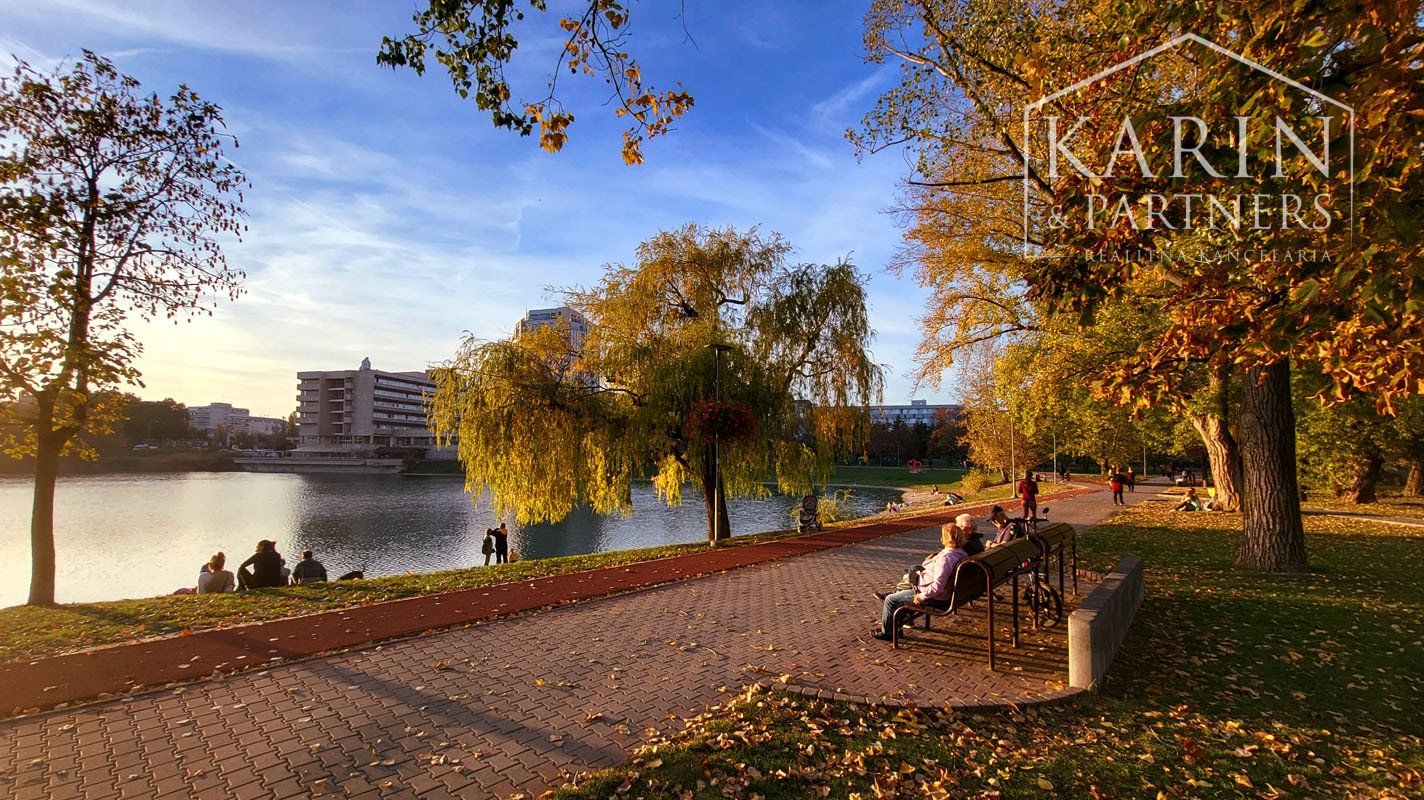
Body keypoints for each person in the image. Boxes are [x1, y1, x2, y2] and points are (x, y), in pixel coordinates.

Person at [871, 521, 972, 641]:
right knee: (910, 577)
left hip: (934, 596)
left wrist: (922, 596)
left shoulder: (946, 558)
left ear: (946, 538)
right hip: (942, 590)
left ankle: (888, 633)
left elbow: (938, 586)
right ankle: (896, 626)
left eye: (942, 536)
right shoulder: (960, 553)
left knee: (890, 600)